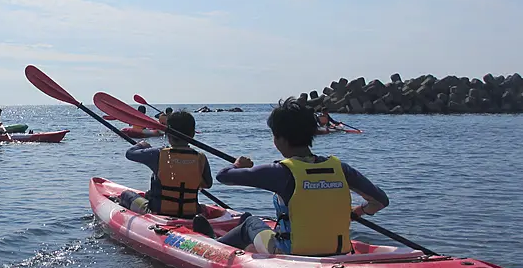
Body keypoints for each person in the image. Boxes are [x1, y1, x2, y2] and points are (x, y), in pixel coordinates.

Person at [212, 100, 388, 255]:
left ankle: (212, 248)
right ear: (311, 134)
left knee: (250, 223)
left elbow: (223, 176)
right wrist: (356, 212)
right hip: (338, 251)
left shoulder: (279, 172)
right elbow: (380, 201)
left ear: (279, 139)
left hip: (290, 253)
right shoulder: (341, 169)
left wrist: (237, 165)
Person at [119, 110, 213, 218]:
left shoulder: (157, 154)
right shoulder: (201, 158)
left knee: (126, 195)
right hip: (191, 214)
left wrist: (141, 145)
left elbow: (129, 154)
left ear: (167, 134)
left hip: (158, 214)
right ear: (192, 134)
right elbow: (207, 184)